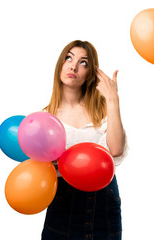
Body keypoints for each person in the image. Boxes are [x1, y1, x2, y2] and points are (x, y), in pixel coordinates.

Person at [41, 40, 126, 240]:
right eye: (69, 58)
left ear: (90, 74)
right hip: (63, 203)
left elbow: (115, 150)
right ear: (60, 64)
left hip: (103, 202)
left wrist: (113, 100)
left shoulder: (103, 111)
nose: (73, 66)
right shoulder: (44, 118)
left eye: (83, 63)